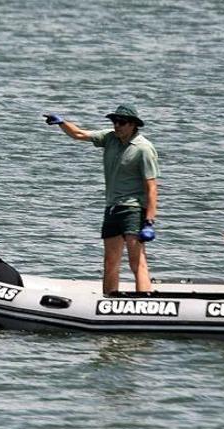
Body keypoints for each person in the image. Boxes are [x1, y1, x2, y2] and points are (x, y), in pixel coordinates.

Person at [43, 104, 160, 294]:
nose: (117, 125)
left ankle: (144, 304)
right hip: (112, 209)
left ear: (133, 125)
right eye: (115, 121)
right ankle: (109, 301)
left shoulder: (144, 149)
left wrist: (149, 221)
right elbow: (79, 134)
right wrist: (62, 123)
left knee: (136, 261)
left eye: (122, 122)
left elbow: (152, 187)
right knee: (110, 262)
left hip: (133, 209)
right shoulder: (109, 138)